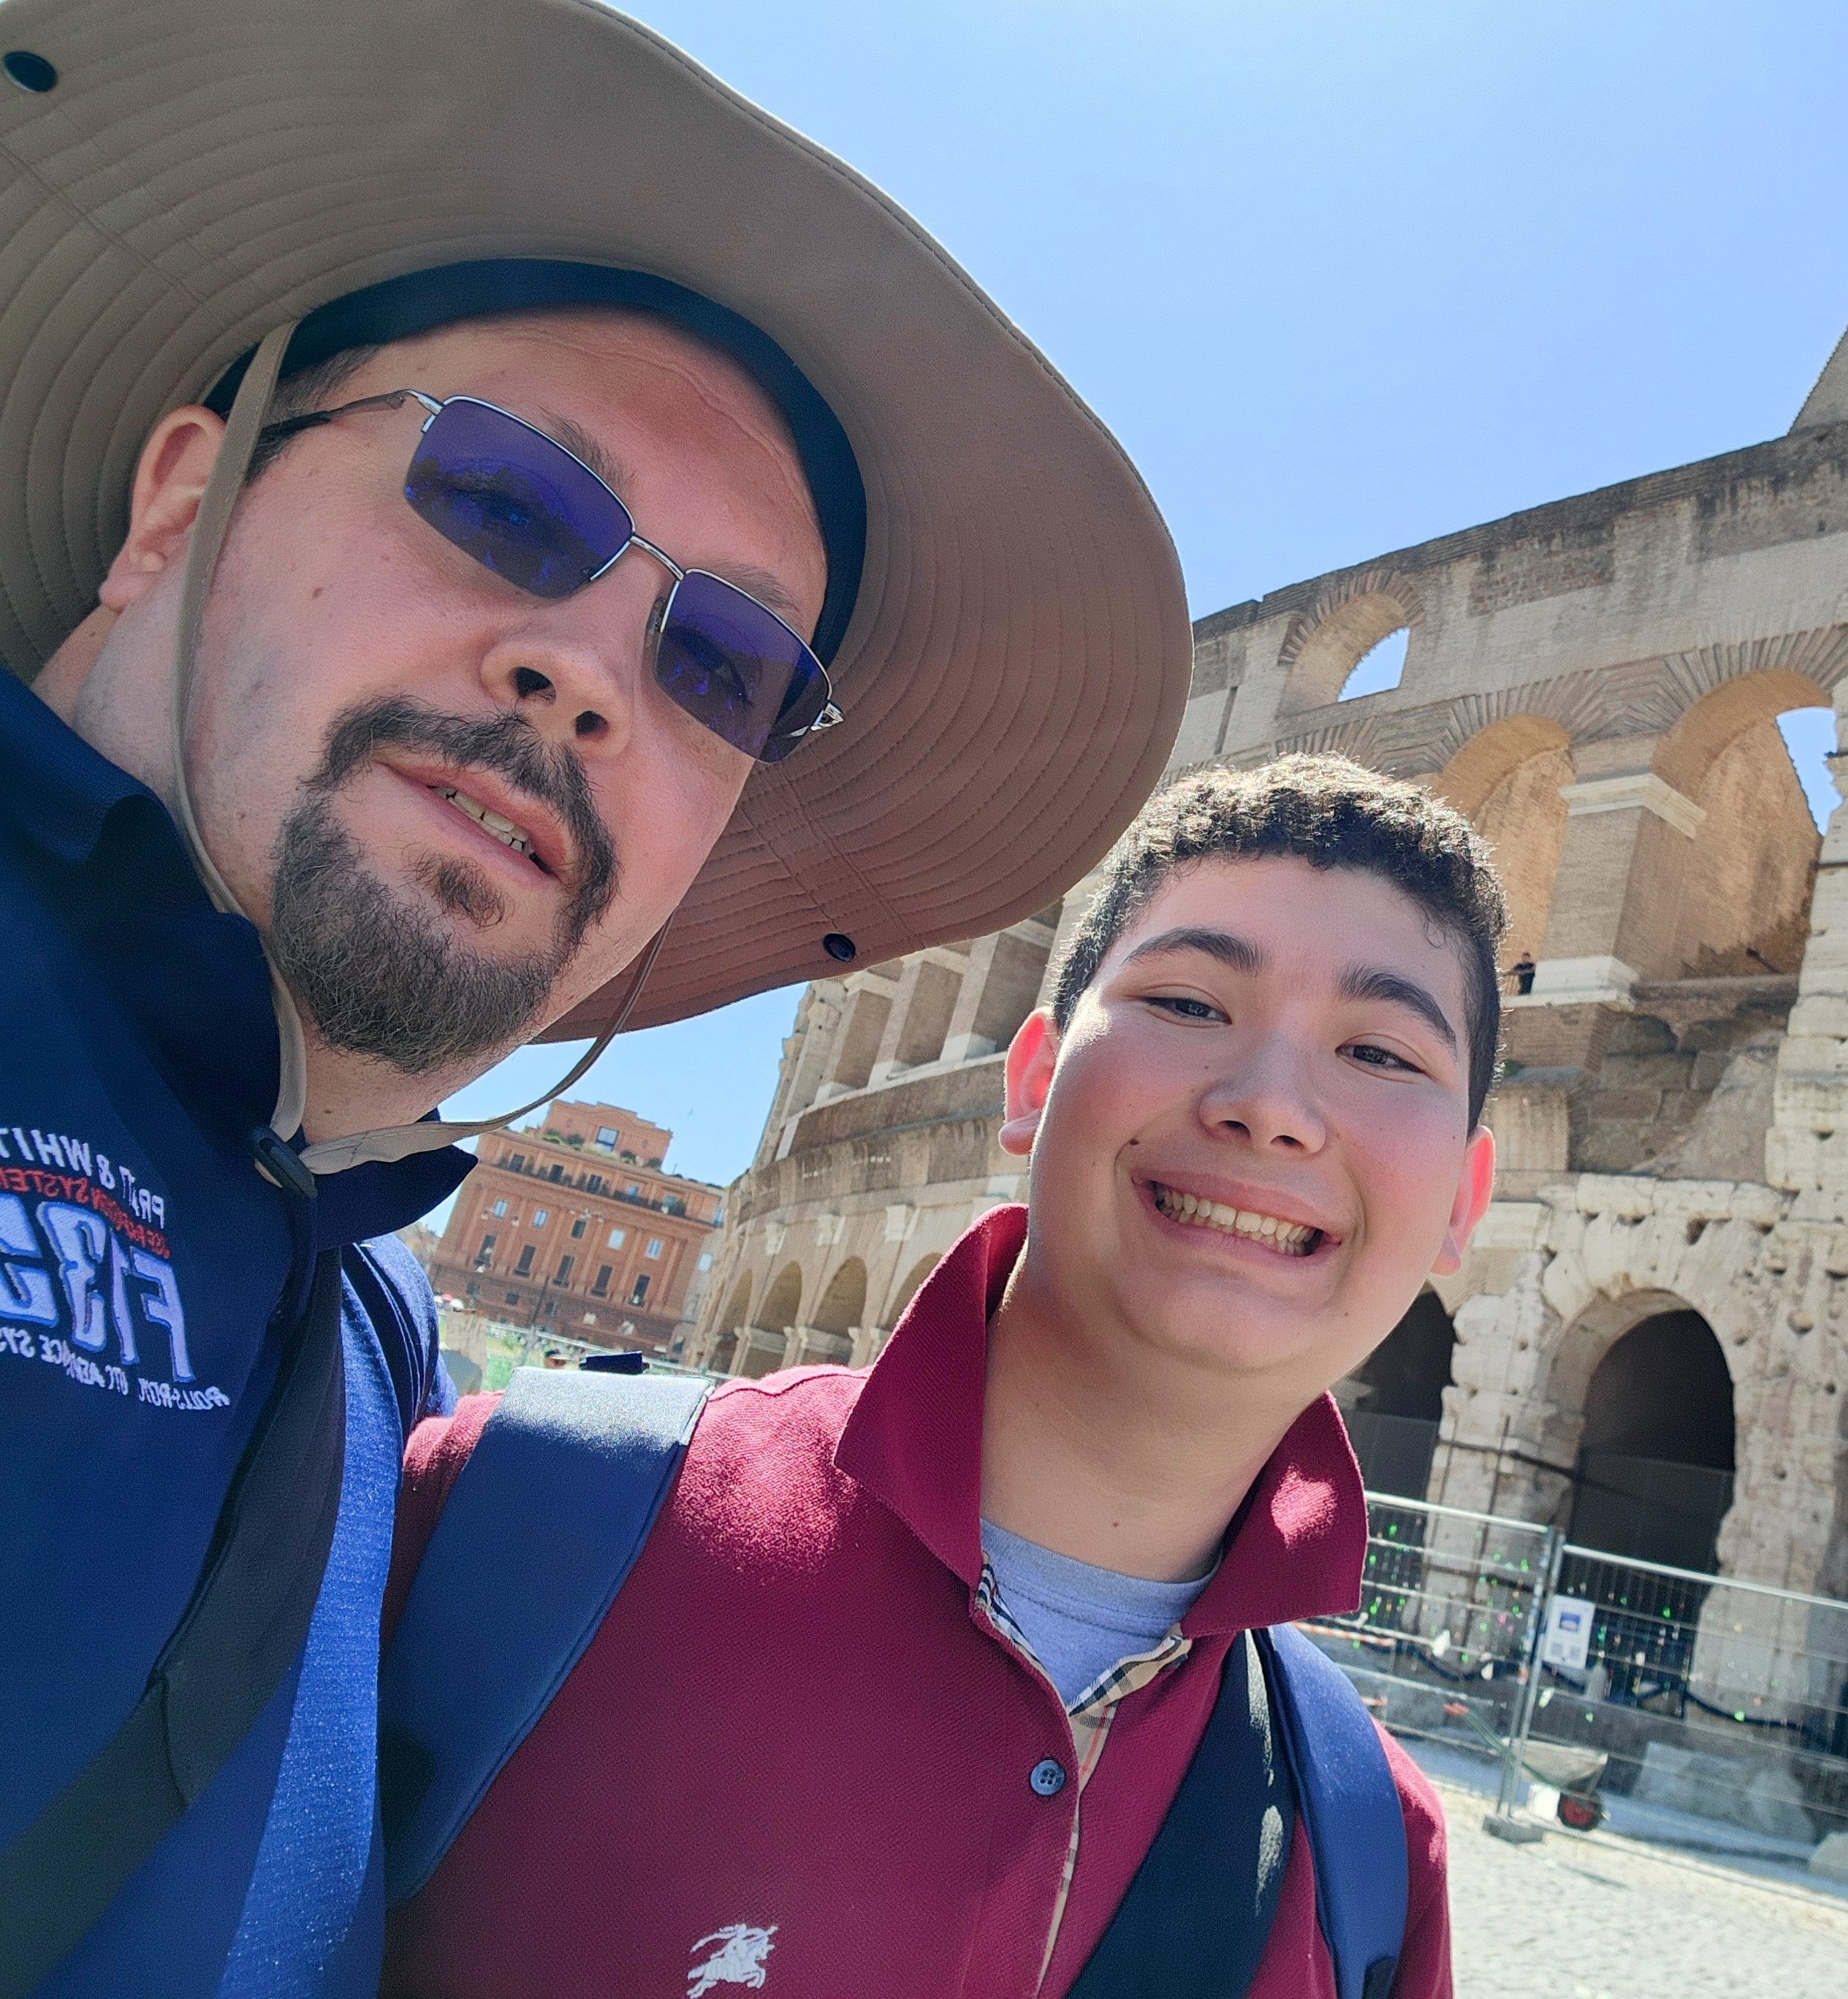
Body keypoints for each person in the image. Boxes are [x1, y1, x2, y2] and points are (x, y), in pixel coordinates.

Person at [0, 1, 1187, 1990]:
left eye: (723, 663)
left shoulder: (371, 1322)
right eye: (504, 501)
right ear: (177, 500)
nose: (590, 672)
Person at [381, 755, 1502, 1997]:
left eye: (1383, 1053)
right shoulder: (508, 1515)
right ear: (1030, 1084)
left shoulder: (1372, 1858)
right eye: (1189, 1002)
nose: (1271, 1106)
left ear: (1464, 1201)